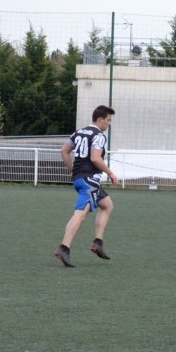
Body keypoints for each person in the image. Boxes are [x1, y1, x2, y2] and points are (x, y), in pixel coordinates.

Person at [55, 105, 119, 268]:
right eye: (108, 120)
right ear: (100, 119)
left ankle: (98, 243)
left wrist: (73, 170)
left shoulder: (80, 132)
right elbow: (96, 158)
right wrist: (110, 173)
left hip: (81, 179)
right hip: (90, 181)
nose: (109, 124)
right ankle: (64, 248)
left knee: (107, 205)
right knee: (80, 214)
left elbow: (64, 150)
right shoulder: (99, 135)